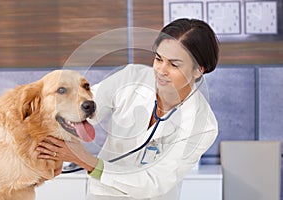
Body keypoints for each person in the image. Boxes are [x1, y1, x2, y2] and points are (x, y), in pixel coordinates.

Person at [36, 18, 219, 200]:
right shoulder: (131, 78)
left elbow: (154, 181)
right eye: (158, 59)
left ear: (198, 70)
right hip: (104, 194)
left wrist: (87, 161)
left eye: (174, 64)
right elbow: (83, 110)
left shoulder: (203, 126)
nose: (161, 70)